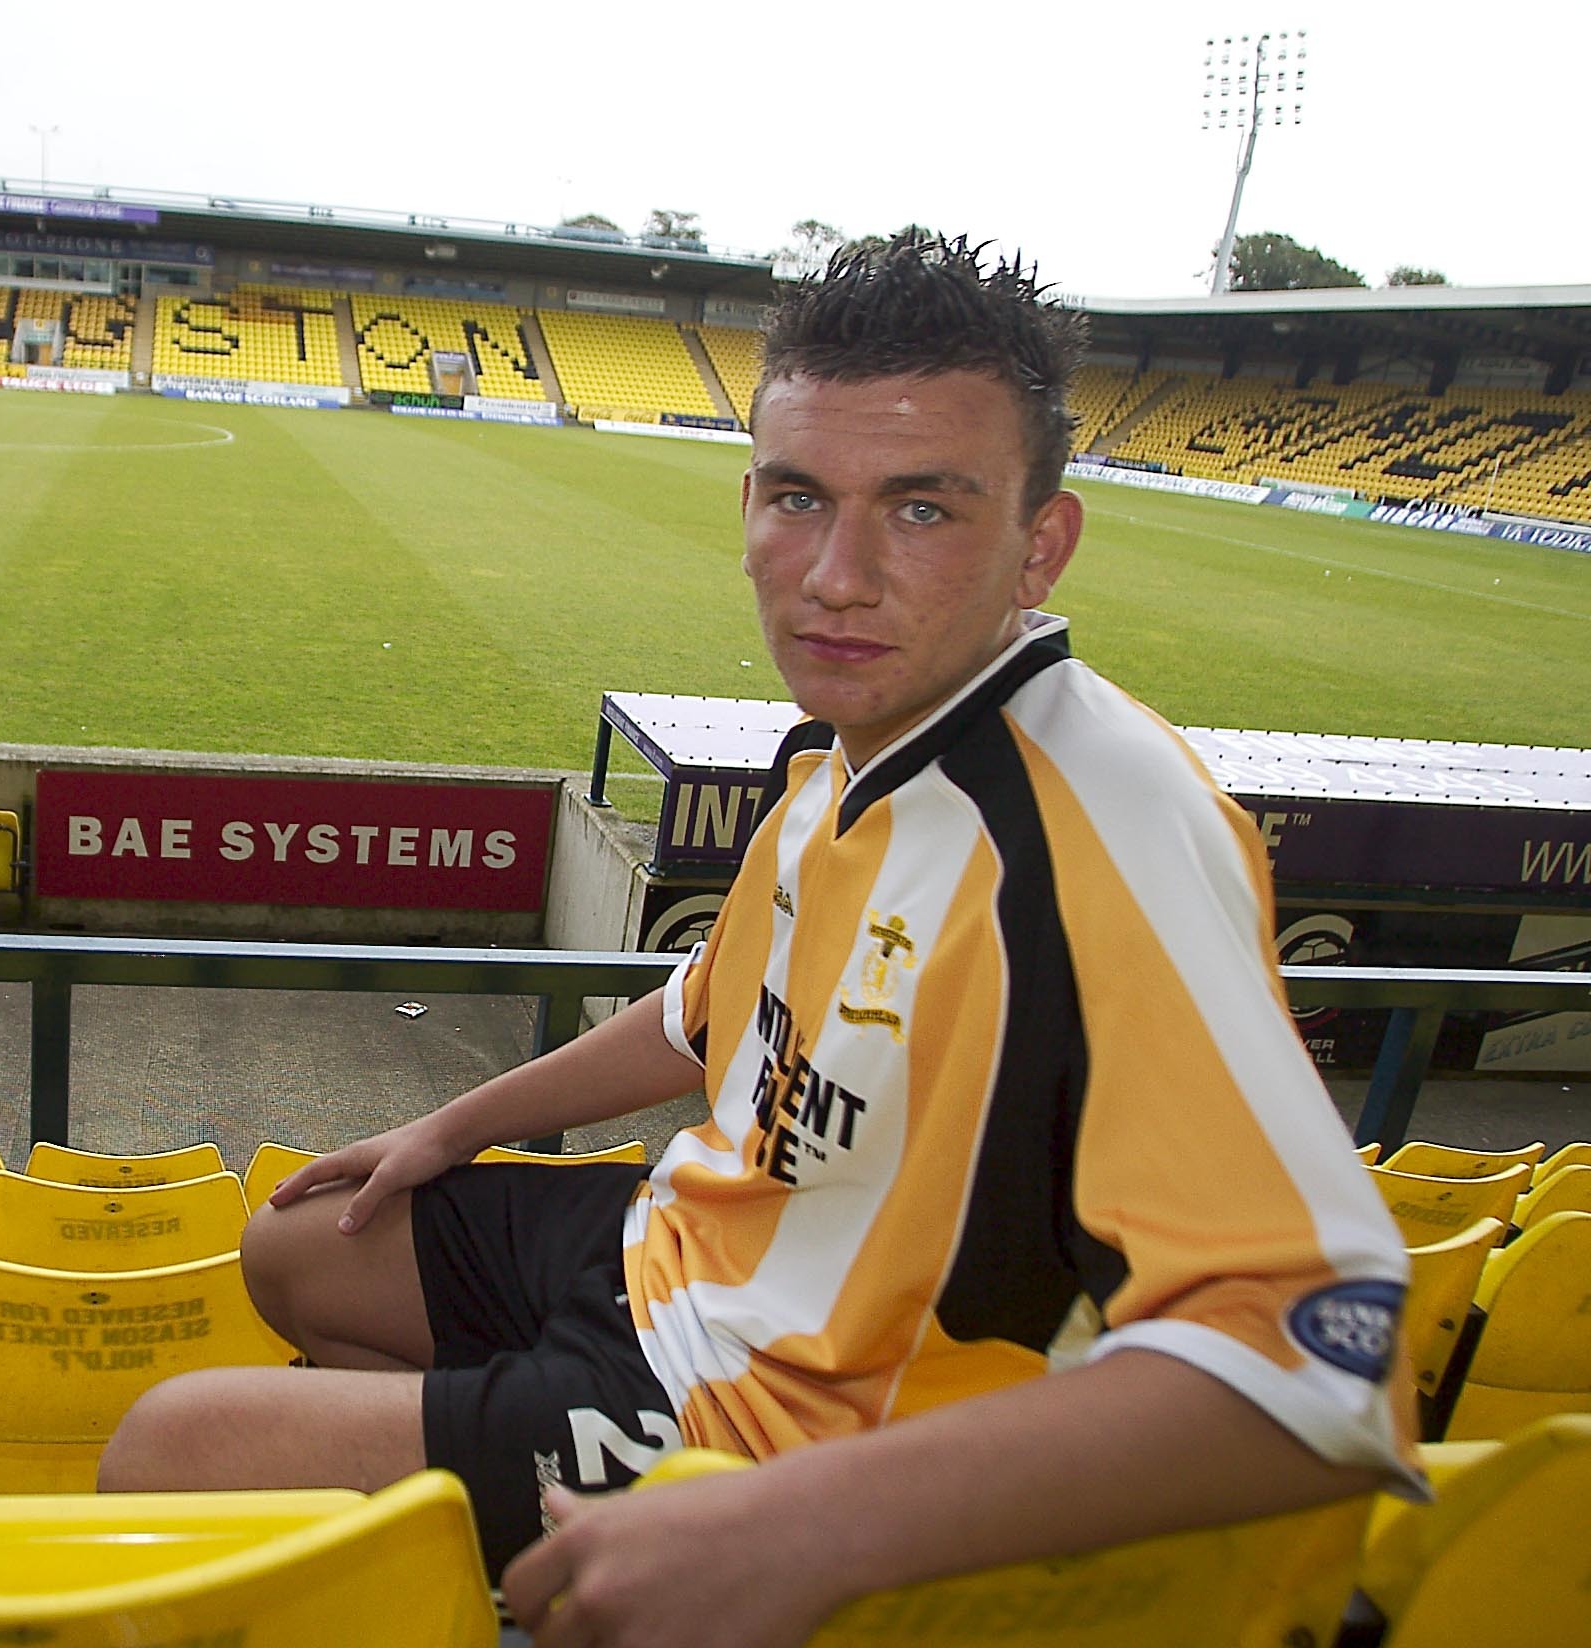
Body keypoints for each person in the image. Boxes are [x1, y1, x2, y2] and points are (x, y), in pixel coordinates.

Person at [97, 234, 1421, 1647]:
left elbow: (1325, 1369)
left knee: (168, 1452)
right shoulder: (845, 756)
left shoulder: (1107, 820)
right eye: (800, 498)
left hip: (789, 1421)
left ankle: (595, 1554)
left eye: (922, 511)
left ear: (1042, 541)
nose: (836, 575)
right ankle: (511, 1558)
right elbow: (702, 1014)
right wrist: (448, 1127)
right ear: (746, 504)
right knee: (299, 1241)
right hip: (677, 1260)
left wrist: (807, 1524)